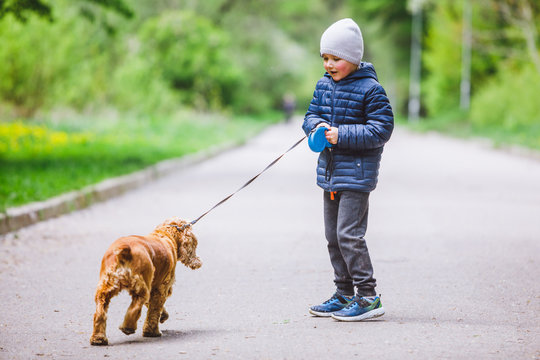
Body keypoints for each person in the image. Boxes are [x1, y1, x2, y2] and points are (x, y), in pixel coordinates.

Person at [302, 18, 394, 321]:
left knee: (348, 235)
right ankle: (343, 293)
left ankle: (368, 296)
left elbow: (381, 129)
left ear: (353, 59)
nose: (328, 64)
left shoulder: (371, 89)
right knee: (333, 236)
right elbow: (311, 114)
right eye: (325, 58)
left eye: (336, 58)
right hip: (330, 174)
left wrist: (342, 134)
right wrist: (316, 126)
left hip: (356, 175)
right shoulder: (323, 85)